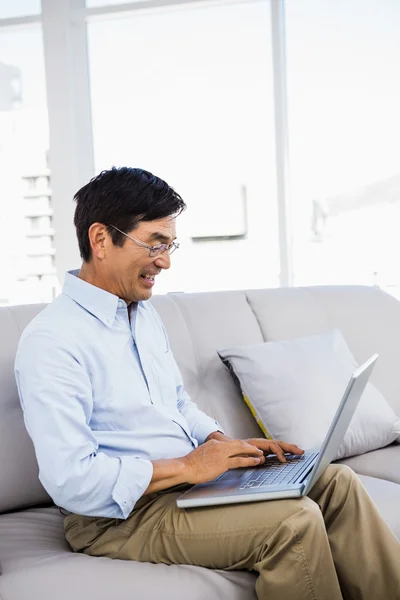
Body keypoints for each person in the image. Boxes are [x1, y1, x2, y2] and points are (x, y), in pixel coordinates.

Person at [15, 167, 400, 600]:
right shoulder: (52, 342)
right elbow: (72, 480)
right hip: (117, 518)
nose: (165, 261)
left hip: (186, 484)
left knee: (336, 482)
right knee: (294, 523)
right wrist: (188, 466)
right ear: (101, 239)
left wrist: (225, 444)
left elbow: (176, 403)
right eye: (154, 244)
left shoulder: (143, 316)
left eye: (169, 245)